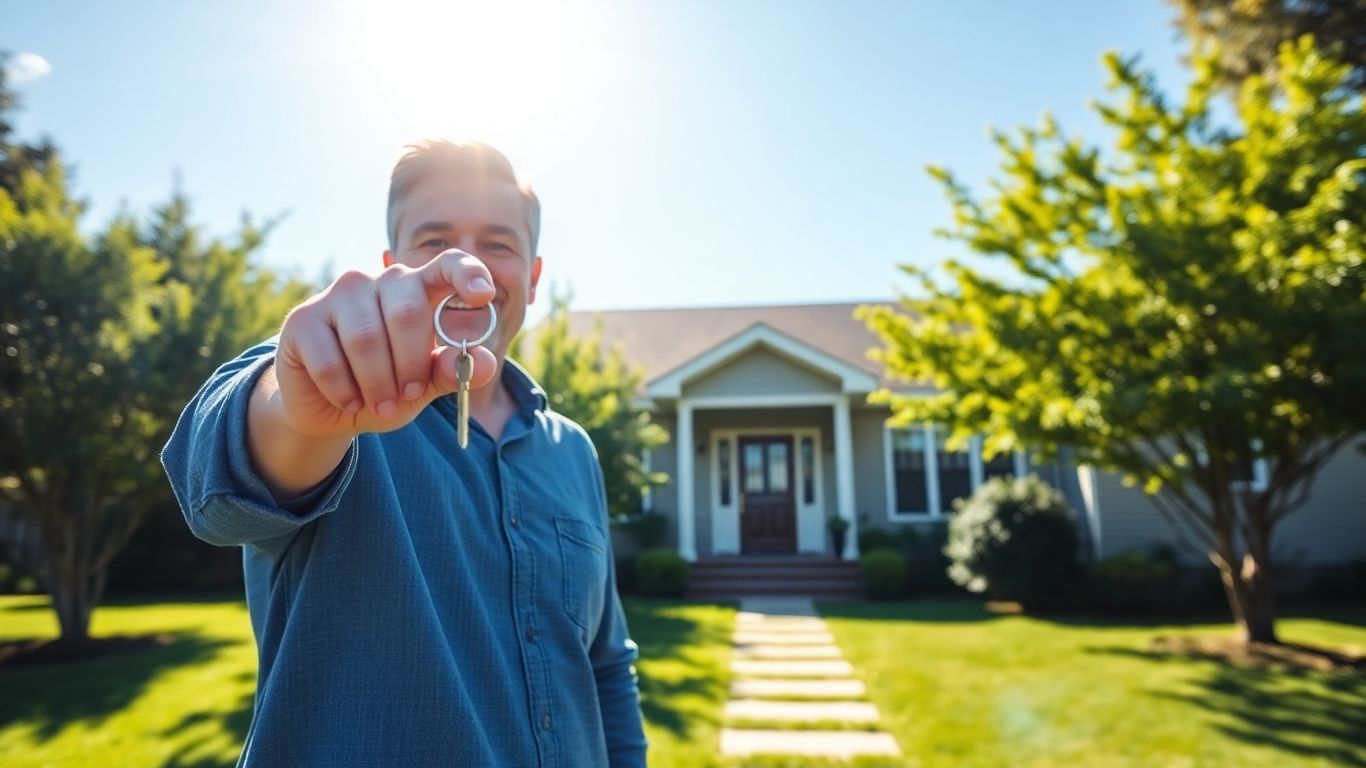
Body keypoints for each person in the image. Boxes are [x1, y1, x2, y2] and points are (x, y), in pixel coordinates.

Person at [162, 140, 648, 767]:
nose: (467, 265)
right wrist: (299, 416)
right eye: (436, 241)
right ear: (392, 265)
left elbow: (606, 665)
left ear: (531, 278)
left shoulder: (573, 452)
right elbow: (218, 492)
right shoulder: (337, 388)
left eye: (498, 244)